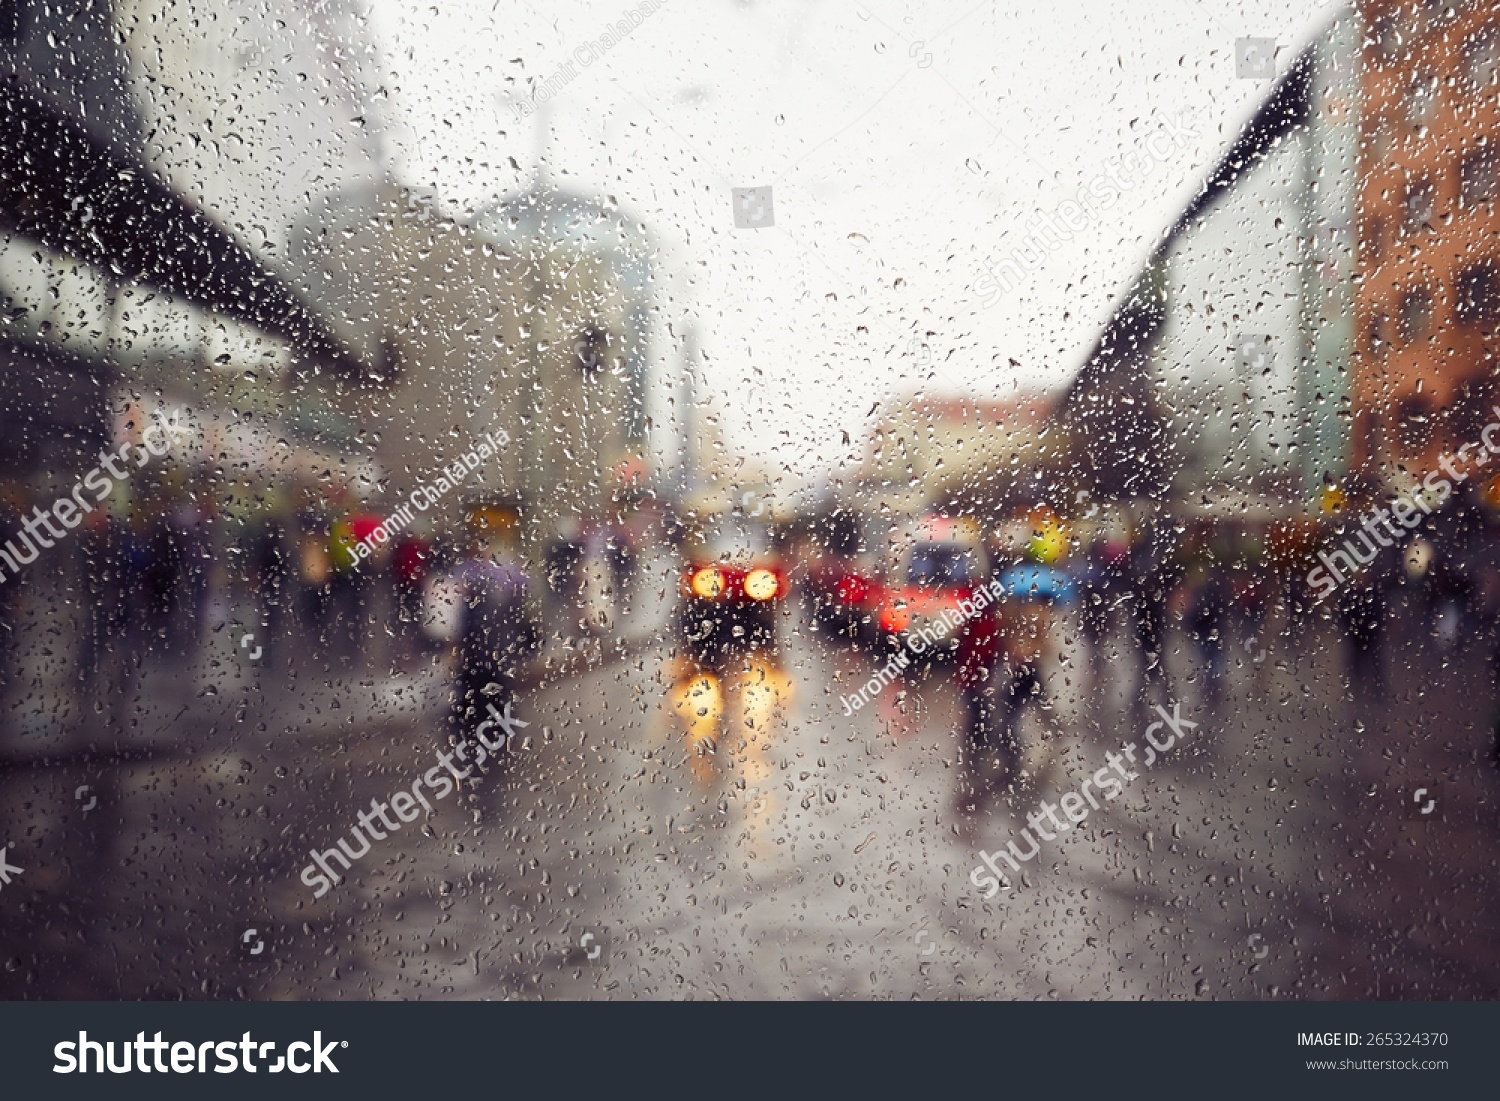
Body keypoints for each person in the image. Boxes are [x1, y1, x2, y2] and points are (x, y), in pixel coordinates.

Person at [449, 510, 539, 747]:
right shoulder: (493, 574)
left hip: (488, 643)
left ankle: (484, 722)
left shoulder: (489, 575)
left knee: (485, 681)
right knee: (483, 681)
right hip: (486, 644)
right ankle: (486, 721)